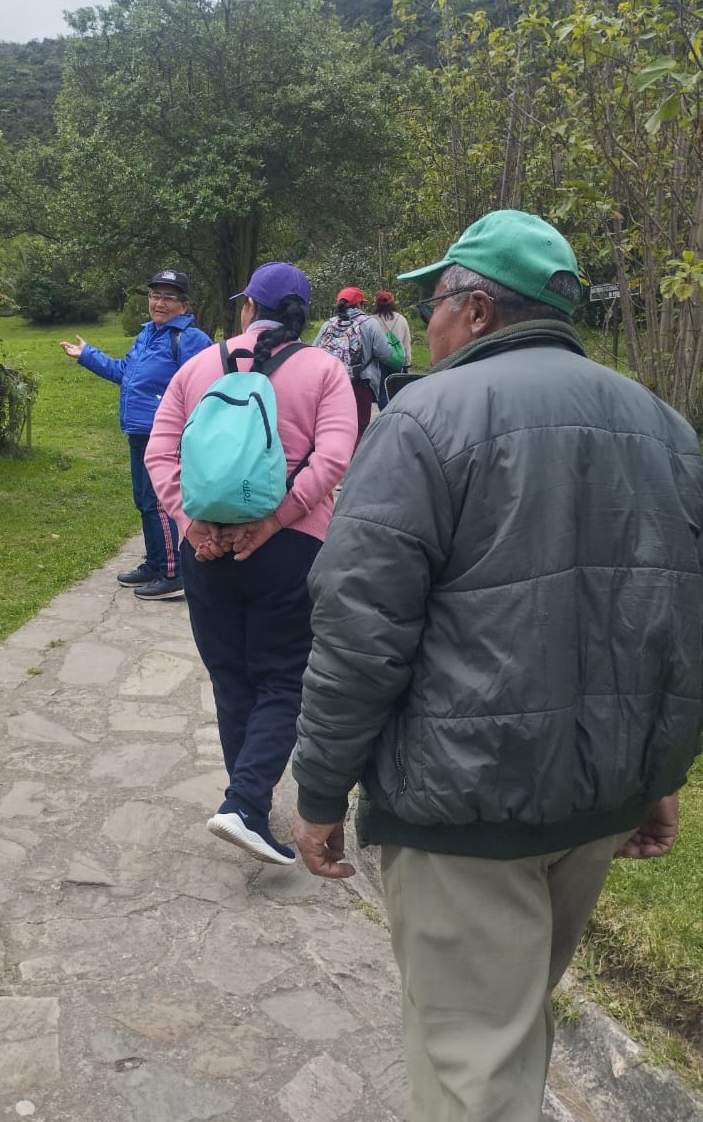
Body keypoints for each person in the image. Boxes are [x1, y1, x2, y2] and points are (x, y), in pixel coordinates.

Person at [291, 210, 703, 1122]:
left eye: (435, 301)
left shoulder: (423, 420)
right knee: (511, 1034)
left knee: (472, 1068)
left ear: (475, 310)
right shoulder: (665, 428)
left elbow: (359, 631)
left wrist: (319, 790)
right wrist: (656, 774)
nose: (425, 325)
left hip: (463, 809)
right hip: (596, 804)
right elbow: (678, 621)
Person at [146, 261, 357, 864]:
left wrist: (193, 524)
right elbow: (336, 457)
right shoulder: (324, 370)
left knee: (231, 676)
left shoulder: (197, 366)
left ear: (247, 310)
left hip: (205, 552)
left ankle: (247, 805)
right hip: (289, 548)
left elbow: (161, 452)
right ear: (302, 314)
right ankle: (245, 806)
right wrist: (275, 520)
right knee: (284, 677)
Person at [60, 268, 212, 600]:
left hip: (166, 435)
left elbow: (206, 385)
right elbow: (124, 373)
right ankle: (157, 562)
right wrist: (87, 355)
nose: (160, 303)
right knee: (144, 502)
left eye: (169, 298)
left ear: (184, 306)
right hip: (139, 431)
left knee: (161, 503)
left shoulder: (189, 339)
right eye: (155, 296)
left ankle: (175, 573)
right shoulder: (147, 336)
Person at [313, 287, 392, 451]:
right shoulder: (369, 324)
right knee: (359, 428)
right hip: (360, 384)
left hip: (331, 385)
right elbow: (385, 354)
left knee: (332, 427)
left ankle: (331, 463)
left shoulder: (328, 324)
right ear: (360, 304)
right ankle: (351, 469)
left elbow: (315, 351)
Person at [372, 289, 412, 409]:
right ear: (392, 302)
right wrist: (407, 364)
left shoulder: (372, 320)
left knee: (382, 392)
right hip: (398, 360)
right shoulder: (401, 319)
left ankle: (385, 415)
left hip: (380, 361)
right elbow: (406, 343)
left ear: (377, 303)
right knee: (395, 390)